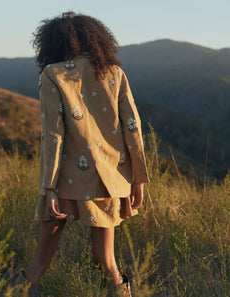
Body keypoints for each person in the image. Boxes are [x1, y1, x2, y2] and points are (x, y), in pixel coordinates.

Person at [16, 11, 149, 297]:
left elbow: (53, 135)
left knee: (39, 262)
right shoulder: (115, 73)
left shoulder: (54, 74)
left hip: (66, 177)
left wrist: (48, 187)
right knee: (107, 262)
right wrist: (138, 178)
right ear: (97, 38)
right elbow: (133, 127)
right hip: (110, 177)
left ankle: (12, 293)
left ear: (51, 44)